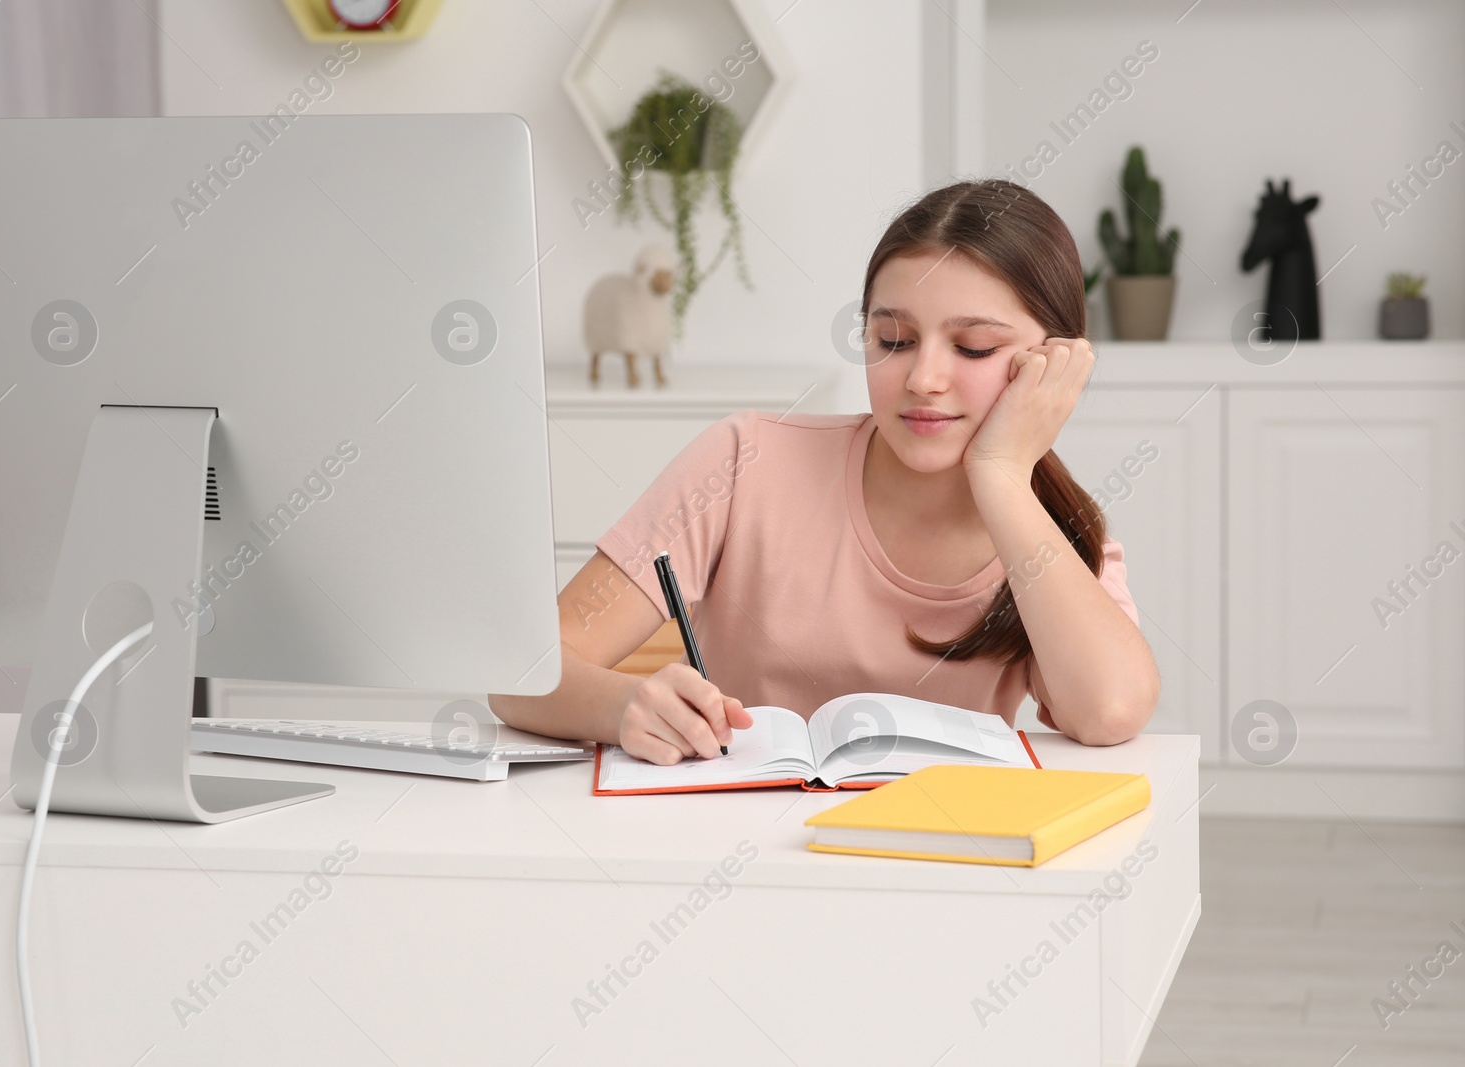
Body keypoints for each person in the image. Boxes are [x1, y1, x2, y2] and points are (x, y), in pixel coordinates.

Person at [490, 179, 1160, 765]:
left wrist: (1003, 477)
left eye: (974, 346)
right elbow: (519, 672)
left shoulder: (1053, 538)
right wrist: (622, 704)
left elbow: (1110, 710)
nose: (923, 379)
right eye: (892, 339)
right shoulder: (742, 461)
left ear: (1056, 364)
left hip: (945, 871)